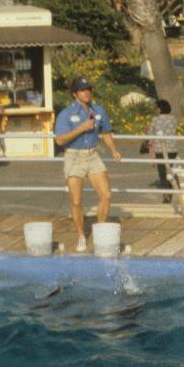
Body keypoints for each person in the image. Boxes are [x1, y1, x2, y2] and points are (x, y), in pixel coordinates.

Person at [54, 77, 121, 253]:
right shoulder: (66, 114)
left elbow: (106, 132)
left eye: (88, 89)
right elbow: (60, 139)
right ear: (75, 94)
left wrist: (113, 149)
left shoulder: (98, 110)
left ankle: (100, 232)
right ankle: (81, 236)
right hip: (73, 156)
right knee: (76, 200)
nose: (86, 92)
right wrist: (82, 128)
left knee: (106, 194)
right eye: (82, 90)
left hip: (92, 155)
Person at [143, 98, 179, 202]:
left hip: (160, 150)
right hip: (172, 149)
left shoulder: (155, 120)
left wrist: (146, 130)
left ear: (159, 109)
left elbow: (150, 134)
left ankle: (166, 195)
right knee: (171, 170)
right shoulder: (174, 119)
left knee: (162, 173)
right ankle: (173, 189)